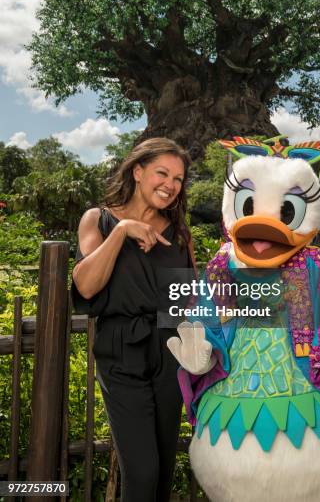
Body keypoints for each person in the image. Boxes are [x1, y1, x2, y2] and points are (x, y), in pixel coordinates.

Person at [71, 137, 194, 502]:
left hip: (170, 350)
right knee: (141, 475)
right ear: (138, 172)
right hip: (121, 351)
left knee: (162, 474)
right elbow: (87, 285)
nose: (170, 185)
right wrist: (123, 231)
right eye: (162, 173)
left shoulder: (178, 230)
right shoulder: (99, 219)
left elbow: (187, 299)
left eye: (178, 179)